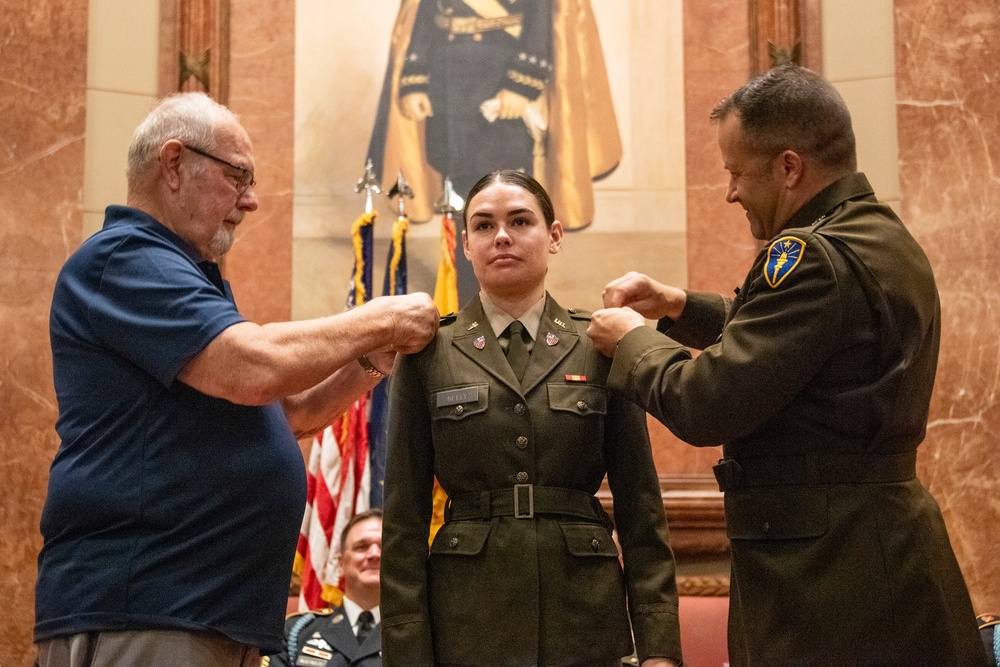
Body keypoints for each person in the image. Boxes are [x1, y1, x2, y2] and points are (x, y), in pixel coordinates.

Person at [587, 64, 987, 665]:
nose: (730, 192)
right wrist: (678, 307)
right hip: (876, 552)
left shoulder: (810, 258)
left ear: (790, 167)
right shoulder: (874, 234)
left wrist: (634, 340)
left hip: (827, 580)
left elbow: (707, 402)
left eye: (736, 172)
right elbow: (798, 344)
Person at [34, 92, 438, 667]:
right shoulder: (125, 257)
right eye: (238, 176)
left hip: (207, 612)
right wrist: (380, 317)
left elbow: (287, 411)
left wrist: (374, 360)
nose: (250, 201)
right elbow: (254, 368)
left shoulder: (184, 271)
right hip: (145, 605)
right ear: (173, 165)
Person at [380, 170, 682, 666]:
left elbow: (640, 507)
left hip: (583, 616)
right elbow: (403, 519)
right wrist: (408, 652)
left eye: (520, 221)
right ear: (466, 245)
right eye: (483, 225)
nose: (501, 235)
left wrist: (660, 649)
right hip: (469, 621)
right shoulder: (429, 353)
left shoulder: (601, 345)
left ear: (554, 236)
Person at [366, 0, 623, 303]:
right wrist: (415, 82)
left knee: (507, 199)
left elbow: (541, 26)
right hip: (447, 89)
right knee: (462, 199)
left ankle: (512, 294)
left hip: (500, 84)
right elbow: (424, 20)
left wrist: (520, 86)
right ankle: (467, 296)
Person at [266, 510, 384, 667]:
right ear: (341, 564)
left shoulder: (418, 635)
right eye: (361, 547)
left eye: (384, 547)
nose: (374, 554)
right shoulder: (296, 631)